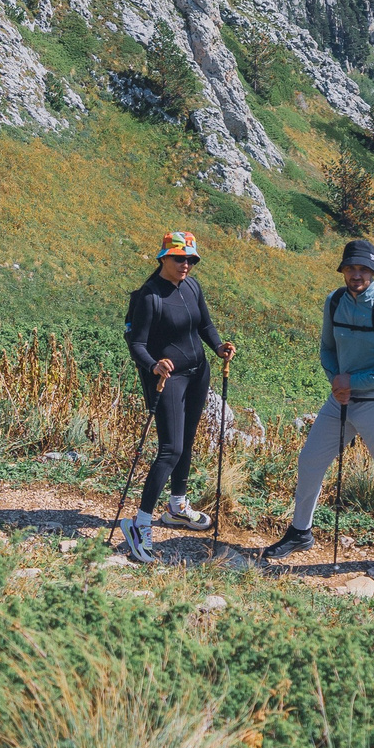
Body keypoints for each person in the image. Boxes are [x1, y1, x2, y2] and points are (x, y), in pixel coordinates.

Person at [264, 238, 374, 581]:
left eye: (363, 269)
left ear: (373, 271)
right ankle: (300, 532)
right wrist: (337, 382)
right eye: (350, 268)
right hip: (341, 398)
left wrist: (352, 382)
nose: (356, 275)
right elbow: (327, 350)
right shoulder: (334, 302)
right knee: (310, 460)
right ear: (343, 270)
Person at [119, 229, 235, 561]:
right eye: (180, 259)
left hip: (198, 373)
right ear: (163, 258)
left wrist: (218, 347)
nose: (186, 265)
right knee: (170, 449)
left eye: (191, 260)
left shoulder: (192, 286)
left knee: (187, 439)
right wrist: (154, 365)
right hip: (168, 379)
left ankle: (177, 507)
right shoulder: (149, 296)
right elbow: (136, 343)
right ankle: (140, 524)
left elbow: (205, 326)